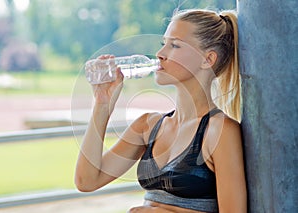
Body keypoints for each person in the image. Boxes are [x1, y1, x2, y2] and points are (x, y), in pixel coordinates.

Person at [75, 8, 247, 213]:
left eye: (174, 45)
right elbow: (86, 181)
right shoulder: (147, 126)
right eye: (163, 43)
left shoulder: (220, 131)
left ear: (207, 59)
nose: (160, 54)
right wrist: (102, 104)